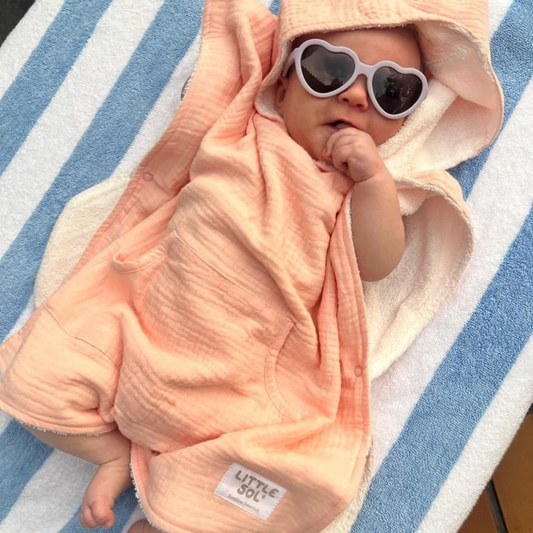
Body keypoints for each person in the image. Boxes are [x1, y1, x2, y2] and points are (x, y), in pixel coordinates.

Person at [0, 0, 502, 531]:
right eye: (329, 69)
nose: (356, 96)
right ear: (281, 87)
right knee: (33, 376)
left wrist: (374, 180)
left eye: (391, 91)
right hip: (136, 329)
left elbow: (377, 264)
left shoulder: (354, 191)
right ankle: (111, 455)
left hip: (242, 383)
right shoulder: (243, 125)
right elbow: (231, 34)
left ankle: (180, 514)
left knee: (285, 484)